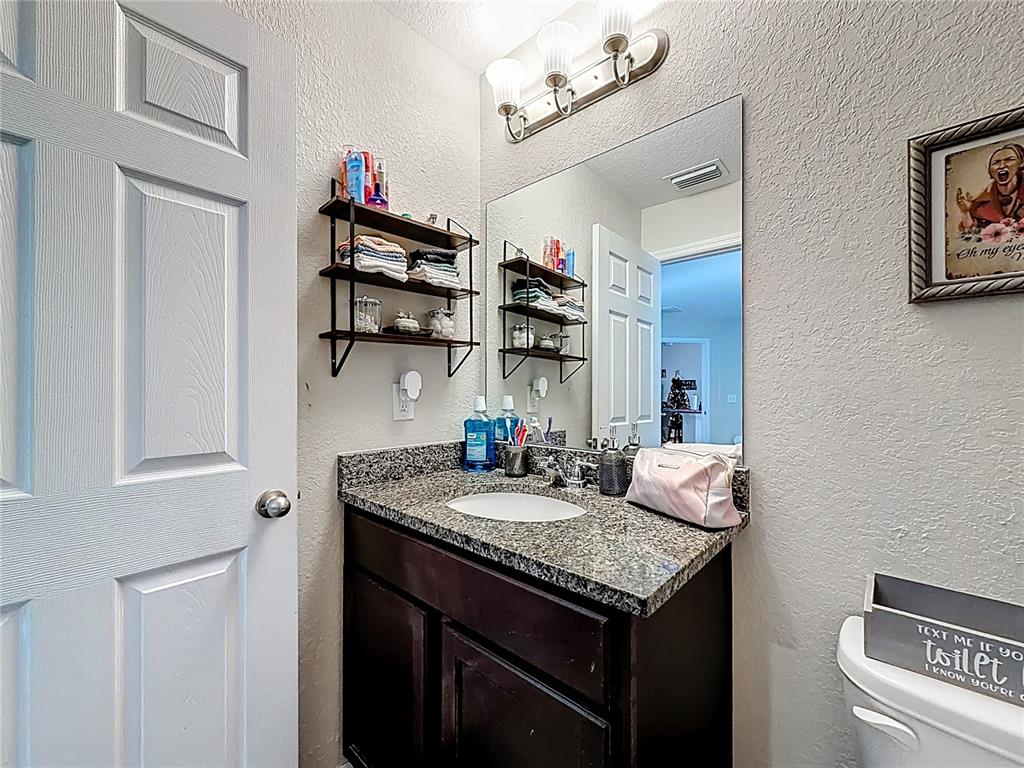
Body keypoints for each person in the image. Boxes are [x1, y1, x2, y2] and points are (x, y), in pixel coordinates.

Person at [957, 143, 1024, 229]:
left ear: (1020, 164)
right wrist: (966, 212)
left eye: (1009, 160)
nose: (1001, 166)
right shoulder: (981, 203)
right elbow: (971, 231)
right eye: (996, 162)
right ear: (990, 170)